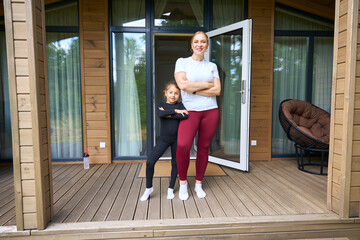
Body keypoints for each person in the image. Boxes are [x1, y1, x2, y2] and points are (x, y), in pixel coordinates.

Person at [174, 31, 221, 201]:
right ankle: (184, 184)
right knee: (183, 145)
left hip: (210, 111)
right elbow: (182, 85)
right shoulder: (182, 62)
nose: (199, 44)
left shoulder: (212, 66)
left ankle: (199, 184)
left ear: (207, 45)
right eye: (196, 41)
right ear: (191, 44)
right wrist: (207, 85)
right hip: (190, 111)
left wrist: (193, 87)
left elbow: (218, 90)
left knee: (203, 148)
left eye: (203, 42)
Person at [140, 81, 188, 201]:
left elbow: (185, 116)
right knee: (150, 161)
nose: (173, 95)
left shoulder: (181, 105)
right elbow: (160, 114)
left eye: (176, 93)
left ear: (179, 95)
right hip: (164, 140)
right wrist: (176, 111)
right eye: (170, 92)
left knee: (175, 164)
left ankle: (171, 188)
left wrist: (169, 113)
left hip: (177, 140)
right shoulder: (161, 104)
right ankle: (148, 188)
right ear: (166, 93)